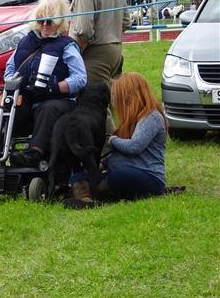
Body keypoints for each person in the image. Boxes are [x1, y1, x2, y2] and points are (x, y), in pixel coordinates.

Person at [0, 0, 87, 168]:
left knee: (48, 108)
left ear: (59, 23)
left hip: (57, 99)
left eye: (50, 21)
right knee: (8, 104)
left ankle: (34, 153)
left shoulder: (67, 45)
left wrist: (54, 87)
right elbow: (10, 68)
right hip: (28, 96)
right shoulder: (26, 41)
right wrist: (13, 82)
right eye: (41, 20)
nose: (44, 25)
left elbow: (80, 78)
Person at [66, 72, 167, 207]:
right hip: (122, 172)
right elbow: (118, 153)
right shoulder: (130, 120)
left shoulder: (152, 117)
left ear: (129, 96)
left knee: (118, 176)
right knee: (80, 175)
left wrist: (113, 140)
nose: (113, 101)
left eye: (116, 96)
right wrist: (101, 165)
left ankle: (93, 194)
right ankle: (86, 199)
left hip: (149, 177)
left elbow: (134, 147)